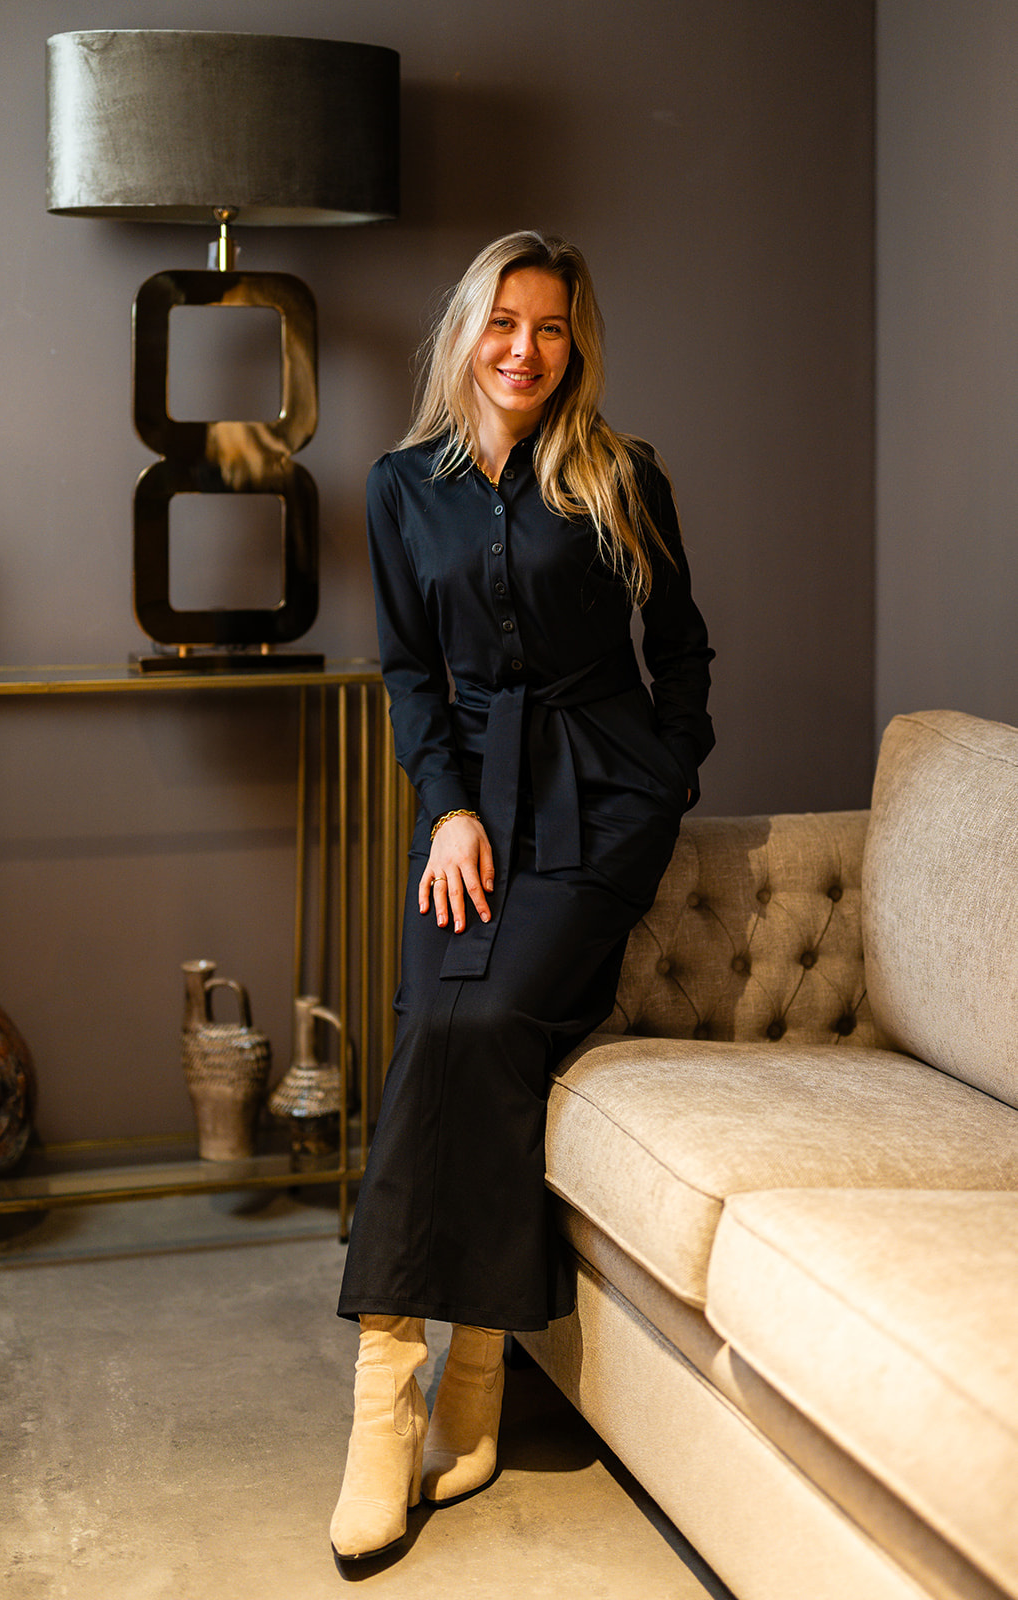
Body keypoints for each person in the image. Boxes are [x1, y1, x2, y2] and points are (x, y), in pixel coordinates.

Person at [330, 230, 714, 1561]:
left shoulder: (622, 476)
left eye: (550, 327)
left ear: (575, 344)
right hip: (472, 816)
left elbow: (681, 650)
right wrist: (445, 810)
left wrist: (665, 780)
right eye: (504, 322)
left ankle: (435, 1388)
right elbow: (410, 674)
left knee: (481, 1025)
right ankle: (423, 1389)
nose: (524, 350)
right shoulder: (401, 488)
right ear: (466, 332)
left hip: (602, 807)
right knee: (439, 1030)